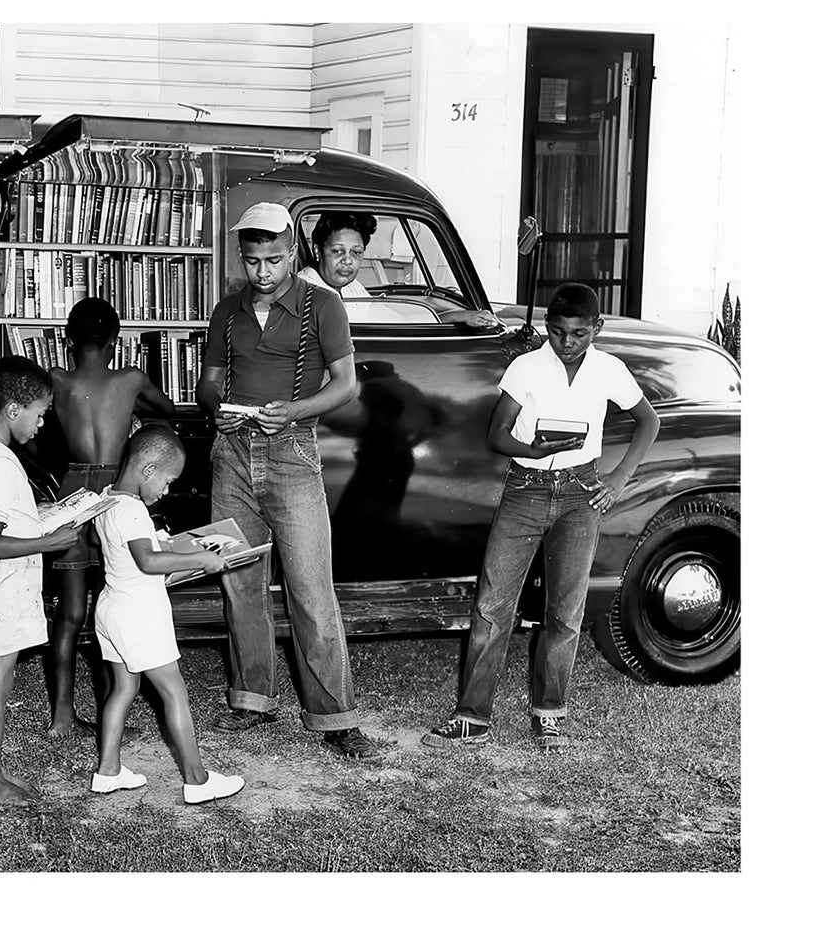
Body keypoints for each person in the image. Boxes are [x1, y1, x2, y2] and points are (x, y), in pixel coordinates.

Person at [423, 283, 660, 751]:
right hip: (526, 490)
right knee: (493, 606)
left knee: (565, 611)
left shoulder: (610, 369)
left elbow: (648, 421)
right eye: (556, 332)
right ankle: (472, 717)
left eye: (577, 334)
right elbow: (497, 434)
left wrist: (618, 478)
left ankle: (549, 714)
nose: (566, 342)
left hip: (580, 493)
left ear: (597, 328)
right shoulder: (526, 366)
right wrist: (532, 449)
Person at [195, 201, 383, 763]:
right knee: (241, 583)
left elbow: (346, 385)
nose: (263, 273)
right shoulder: (226, 312)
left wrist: (296, 410)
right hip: (231, 454)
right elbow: (208, 383)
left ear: (293, 254)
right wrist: (215, 411)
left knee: (309, 587)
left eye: (274, 260)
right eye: (253, 261)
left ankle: (336, 718)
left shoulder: (323, 306)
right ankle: (253, 700)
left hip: (293, 452)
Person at [90, 424, 246, 805]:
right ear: (148, 469)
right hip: (140, 614)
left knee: (123, 689)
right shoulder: (133, 510)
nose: (166, 490)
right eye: (167, 480)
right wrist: (200, 556)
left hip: (113, 607)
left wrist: (188, 560)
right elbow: (148, 560)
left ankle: (108, 771)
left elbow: (134, 560)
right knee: (174, 692)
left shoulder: (108, 499)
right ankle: (197, 779)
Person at [45, 297, 175, 738]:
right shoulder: (131, 378)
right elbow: (169, 411)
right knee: (116, 597)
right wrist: (132, 409)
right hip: (115, 490)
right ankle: (109, 709)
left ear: (67, 340)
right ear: (116, 342)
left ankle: (62, 717)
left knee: (71, 612)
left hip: (74, 492)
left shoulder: (57, 379)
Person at [0, 356, 80, 805]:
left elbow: (1, 523)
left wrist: (43, 521)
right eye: (40, 413)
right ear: (13, 410)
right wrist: (50, 542)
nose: (43, 423)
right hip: (1, 588)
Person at [300, 211, 499, 328]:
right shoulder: (304, 292)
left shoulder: (352, 288)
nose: (347, 261)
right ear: (318, 251)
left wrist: (457, 316)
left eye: (356, 253)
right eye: (337, 251)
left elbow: (398, 322)